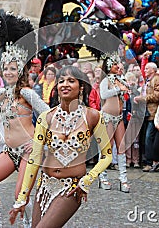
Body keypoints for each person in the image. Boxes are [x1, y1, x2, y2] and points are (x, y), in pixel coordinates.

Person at [9, 66, 112, 227]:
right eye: (61, 81)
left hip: (71, 187)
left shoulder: (93, 116)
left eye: (71, 81)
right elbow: (35, 158)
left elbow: (107, 155)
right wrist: (22, 197)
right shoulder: (46, 117)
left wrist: (88, 179)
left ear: (81, 87)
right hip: (44, 186)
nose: (65, 84)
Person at [0, 11, 48, 228]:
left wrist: (38, 141)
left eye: (13, 68)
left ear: (21, 70)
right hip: (11, 152)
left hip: (29, 151)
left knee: (20, 194)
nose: (8, 72)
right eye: (5, 68)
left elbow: (48, 114)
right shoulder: (4, 94)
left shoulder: (27, 93)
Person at [98, 55, 130, 192]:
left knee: (121, 147)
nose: (118, 66)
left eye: (118, 64)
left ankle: (123, 179)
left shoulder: (121, 79)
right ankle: (102, 176)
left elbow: (128, 94)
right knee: (107, 147)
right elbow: (104, 95)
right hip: (107, 117)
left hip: (119, 117)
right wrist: (119, 89)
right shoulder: (105, 80)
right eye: (114, 64)